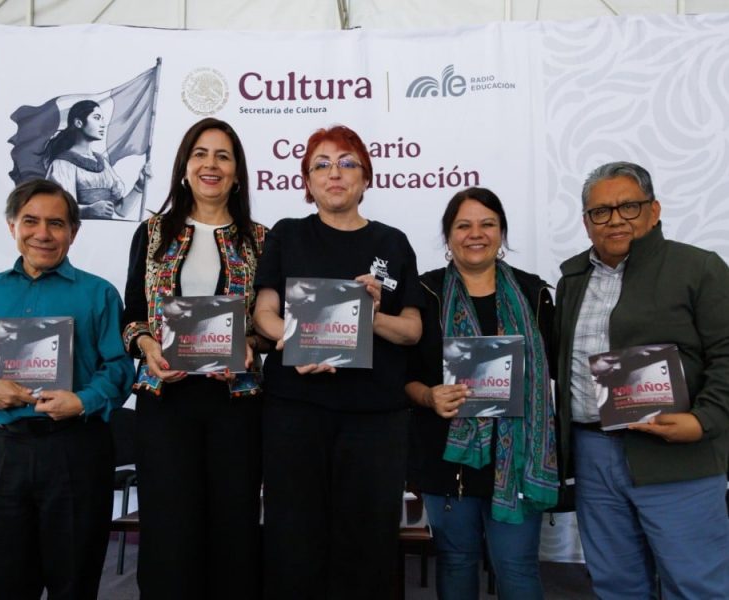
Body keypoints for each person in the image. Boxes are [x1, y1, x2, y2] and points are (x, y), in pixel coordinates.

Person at [253, 124, 424, 600]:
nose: (335, 173)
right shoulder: (287, 234)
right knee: (294, 539)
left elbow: (412, 329)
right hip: (295, 410)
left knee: (367, 543)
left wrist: (369, 316)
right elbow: (263, 314)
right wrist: (299, 340)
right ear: (307, 181)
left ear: (365, 178)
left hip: (374, 418)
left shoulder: (393, 243)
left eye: (348, 163)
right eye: (322, 165)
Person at [554, 161, 729, 599]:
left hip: (677, 456)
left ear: (654, 210)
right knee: (615, 584)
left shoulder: (699, 268)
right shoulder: (572, 279)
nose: (615, 219)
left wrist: (703, 420)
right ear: (586, 222)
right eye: (600, 211)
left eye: (628, 206)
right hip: (593, 454)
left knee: (694, 585)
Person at [122, 117, 268, 599]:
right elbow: (133, 315)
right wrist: (148, 347)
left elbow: (270, 326)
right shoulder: (152, 233)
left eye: (223, 156)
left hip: (236, 404)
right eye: (200, 154)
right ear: (185, 166)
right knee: (169, 527)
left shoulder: (260, 239)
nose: (211, 164)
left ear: (237, 173)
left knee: (233, 525)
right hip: (165, 401)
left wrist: (251, 346)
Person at [405, 187, 559, 600]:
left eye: (487, 224)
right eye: (464, 225)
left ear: (502, 232)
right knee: (456, 562)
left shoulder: (534, 293)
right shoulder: (424, 293)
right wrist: (429, 396)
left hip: (519, 458)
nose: (476, 234)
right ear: (448, 235)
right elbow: (402, 376)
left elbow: (555, 369)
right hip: (448, 458)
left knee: (517, 566)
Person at [0, 178, 134, 599]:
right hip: (7, 450)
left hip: (77, 448)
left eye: (56, 223)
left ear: (74, 230)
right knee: (2, 579)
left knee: (74, 580)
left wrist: (83, 400)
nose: (43, 233)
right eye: (30, 221)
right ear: (12, 226)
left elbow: (119, 367)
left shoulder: (98, 293)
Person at [44, 100, 149, 219]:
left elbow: (121, 210)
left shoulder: (102, 162)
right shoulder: (62, 164)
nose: (103, 124)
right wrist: (87, 210)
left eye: (102, 119)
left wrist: (139, 185)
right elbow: (58, 209)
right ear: (79, 123)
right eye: (97, 118)